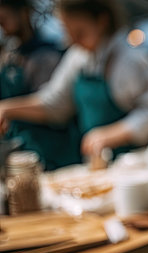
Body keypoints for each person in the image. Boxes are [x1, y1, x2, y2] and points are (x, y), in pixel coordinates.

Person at [0, 0, 148, 166]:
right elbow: (55, 105)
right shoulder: (78, 57)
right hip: (99, 164)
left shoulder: (128, 59)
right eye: (69, 33)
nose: (73, 41)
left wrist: (113, 134)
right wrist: (7, 108)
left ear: (102, 20)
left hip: (137, 164)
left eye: (79, 33)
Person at [0, 0, 80, 170]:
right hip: (22, 151)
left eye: (4, 18)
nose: (1, 26)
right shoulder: (9, 57)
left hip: (53, 153)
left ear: (24, 12)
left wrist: (7, 108)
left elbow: (52, 106)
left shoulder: (46, 55)